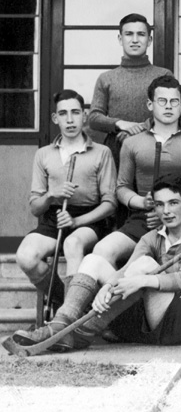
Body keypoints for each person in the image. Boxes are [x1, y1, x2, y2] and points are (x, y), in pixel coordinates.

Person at [11, 174, 181, 351]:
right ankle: (63, 323)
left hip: (179, 323)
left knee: (146, 265)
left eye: (173, 203)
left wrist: (140, 281)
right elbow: (124, 270)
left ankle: (79, 332)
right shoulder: (152, 237)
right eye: (159, 204)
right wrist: (108, 287)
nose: (166, 211)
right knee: (93, 260)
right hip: (145, 319)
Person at [89, 75, 181, 270]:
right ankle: (110, 297)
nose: (168, 106)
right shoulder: (132, 142)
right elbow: (122, 187)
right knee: (102, 251)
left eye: (174, 102)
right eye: (162, 101)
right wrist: (143, 202)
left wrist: (176, 211)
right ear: (150, 104)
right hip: (144, 219)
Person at [16, 89, 116, 308]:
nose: (70, 120)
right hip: (54, 217)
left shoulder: (101, 152)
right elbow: (35, 208)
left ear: (84, 115)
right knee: (25, 256)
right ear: (55, 118)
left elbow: (110, 204)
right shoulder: (43, 154)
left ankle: (69, 317)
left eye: (75, 112)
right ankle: (66, 303)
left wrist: (76, 222)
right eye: (63, 114)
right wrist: (52, 193)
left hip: (89, 219)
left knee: (72, 243)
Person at [88, 13, 172, 167]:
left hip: (156, 146)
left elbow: (172, 112)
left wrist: (138, 129)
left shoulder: (163, 75)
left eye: (141, 34)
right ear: (120, 39)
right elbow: (94, 118)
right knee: (117, 190)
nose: (135, 40)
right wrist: (121, 124)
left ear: (150, 40)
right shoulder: (106, 78)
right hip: (117, 150)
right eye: (128, 34)